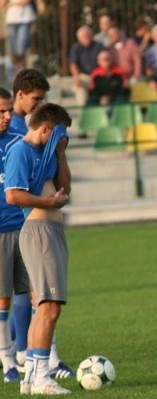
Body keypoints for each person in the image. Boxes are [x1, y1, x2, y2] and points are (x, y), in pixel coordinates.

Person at [8, 69, 74, 382]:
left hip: (50, 231)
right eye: (59, 134)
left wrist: (61, 154)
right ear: (47, 129)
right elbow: (13, 195)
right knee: (48, 306)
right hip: (38, 231)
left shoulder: (45, 153)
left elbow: (65, 189)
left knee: (45, 305)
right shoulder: (20, 149)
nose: (61, 138)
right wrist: (49, 203)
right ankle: (41, 376)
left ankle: (34, 376)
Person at [0, 87, 23, 384]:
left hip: (26, 227)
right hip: (1, 231)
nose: (7, 117)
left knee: (37, 295)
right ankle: (7, 359)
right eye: (1, 112)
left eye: (8, 111)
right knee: (3, 298)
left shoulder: (18, 143)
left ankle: (39, 357)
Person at [69, 26, 105, 107]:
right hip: (83, 76)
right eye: (84, 37)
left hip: (99, 75)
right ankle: (84, 111)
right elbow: (73, 64)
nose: (87, 38)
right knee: (79, 88)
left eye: (88, 36)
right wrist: (76, 77)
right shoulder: (76, 47)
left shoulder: (99, 45)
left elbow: (104, 61)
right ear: (79, 38)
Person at [3, 0, 37, 80]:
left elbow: (26, 1)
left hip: (25, 19)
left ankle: (23, 70)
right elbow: (3, 4)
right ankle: (19, 73)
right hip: (11, 20)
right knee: (14, 49)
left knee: (21, 48)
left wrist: (11, 3)